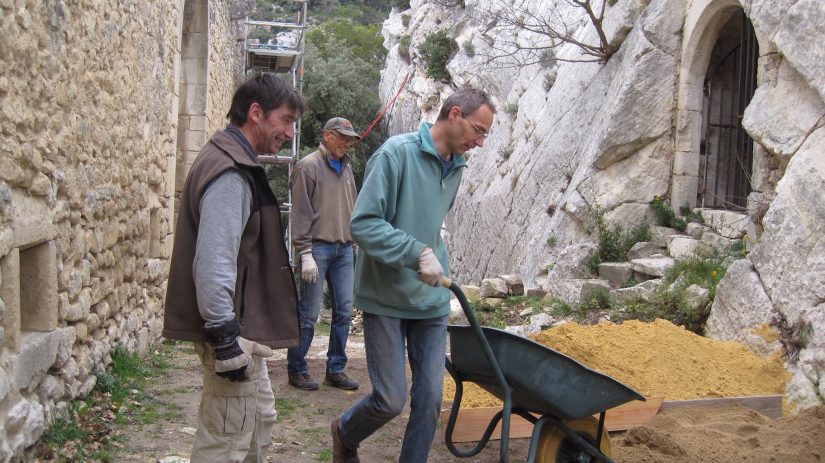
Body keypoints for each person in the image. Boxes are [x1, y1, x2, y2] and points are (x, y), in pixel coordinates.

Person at [330, 89, 496, 463]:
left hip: (430, 298)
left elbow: (431, 226)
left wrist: (431, 252)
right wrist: (416, 252)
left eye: (485, 135)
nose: (481, 142)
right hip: (386, 296)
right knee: (390, 399)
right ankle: (345, 431)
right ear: (455, 114)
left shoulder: (457, 168)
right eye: (478, 130)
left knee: (430, 401)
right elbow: (364, 224)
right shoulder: (395, 154)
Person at [163, 72, 305, 462]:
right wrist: (225, 338)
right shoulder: (229, 173)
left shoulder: (235, 161)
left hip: (244, 330)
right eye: (286, 121)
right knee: (225, 442)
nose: (290, 133)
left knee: (258, 422)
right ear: (256, 113)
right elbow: (214, 260)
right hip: (233, 332)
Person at [286, 117, 361, 391]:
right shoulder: (308, 167)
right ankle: (296, 368)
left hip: (344, 249)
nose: (348, 143)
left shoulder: (347, 167)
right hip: (316, 248)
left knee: (344, 312)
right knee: (308, 314)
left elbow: (351, 206)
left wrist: (356, 240)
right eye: (343, 137)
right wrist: (304, 253)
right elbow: (301, 214)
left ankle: (336, 368)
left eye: (350, 138)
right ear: (327, 136)